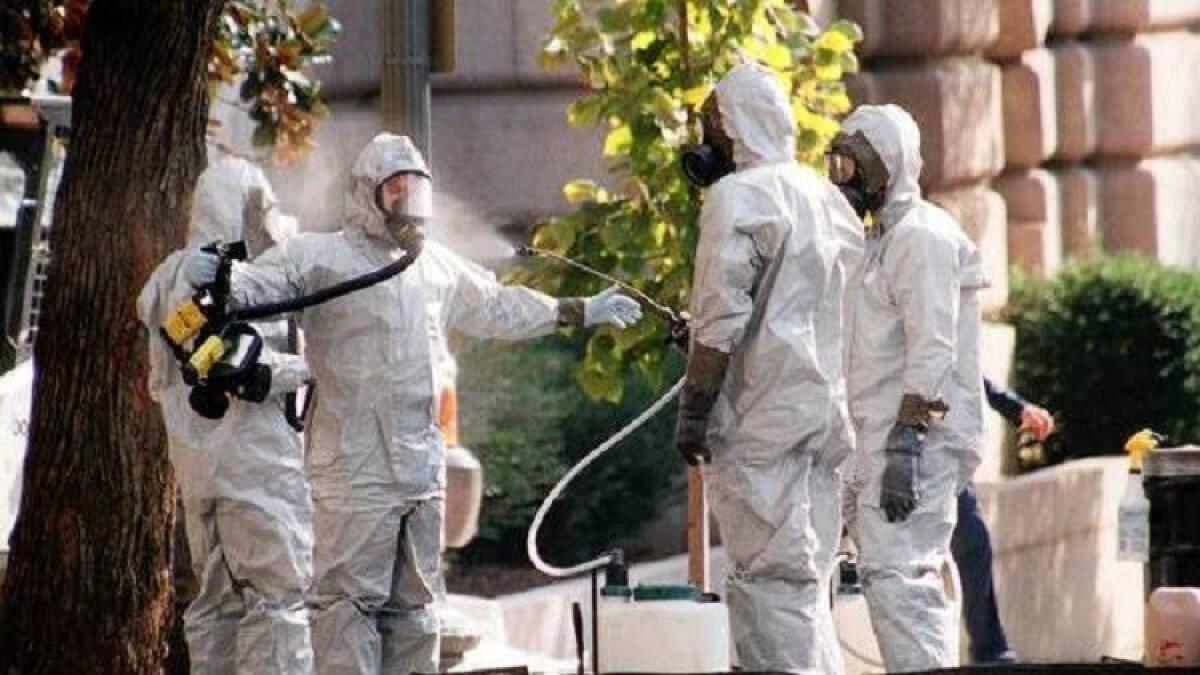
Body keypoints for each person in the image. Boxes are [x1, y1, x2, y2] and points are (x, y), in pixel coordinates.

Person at [181, 133, 643, 675]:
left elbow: (498, 307)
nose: (409, 205)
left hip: (421, 475)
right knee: (346, 610)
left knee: (418, 613)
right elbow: (265, 285)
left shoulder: (435, 266)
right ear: (366, 196)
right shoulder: (322, 258)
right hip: (353, 472)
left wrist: (576, 310)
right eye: (395, 191)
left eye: (416, 191)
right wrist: (221, 279)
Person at [674, 62, 864, 674]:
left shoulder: (736, 198)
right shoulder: (824, 196)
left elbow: (723, 315)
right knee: (806, 586)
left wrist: (695, 409)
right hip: (823, 419)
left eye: (714, 130)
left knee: (767, 588)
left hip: (761, 425)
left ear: (735, 129)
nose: (709, 146)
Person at [138, 150, 314, 674]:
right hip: (255, 468)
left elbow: (174, 361)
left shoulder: (170, 281)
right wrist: (299, 372)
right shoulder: (233, 284)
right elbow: (240, 366)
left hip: (199, 473)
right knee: (278, 598)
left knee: (215, 602)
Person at [832, 104, 987, 672]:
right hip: (879, 435)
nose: (841, 177)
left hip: (918, 440)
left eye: (852, 165)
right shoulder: (879, 240)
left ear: (886, 165)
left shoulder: (921, 236)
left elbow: (933, 348)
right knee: (894, 578)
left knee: (901, 578)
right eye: (838, 163)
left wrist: (906, 444)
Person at [953, 378, 1055, 664]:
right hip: (871, 441)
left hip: (940, 456)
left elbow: (961, 360)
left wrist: (1017, 408)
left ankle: (990, 650)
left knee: (973, 542)